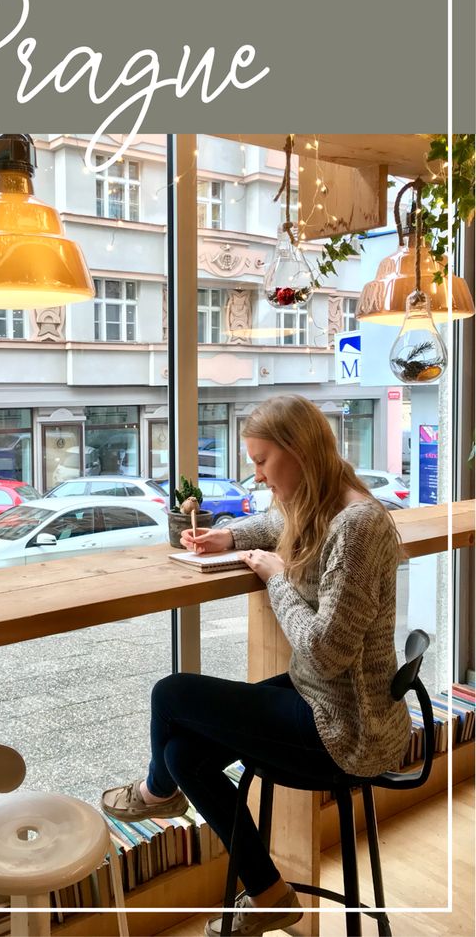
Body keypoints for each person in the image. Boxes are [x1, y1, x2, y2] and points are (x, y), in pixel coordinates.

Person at [101, 395, 411, 937]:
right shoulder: (324, 500)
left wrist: (278, 580)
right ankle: (270, 892)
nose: (258, 474)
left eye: (264, 461)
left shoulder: (359, 525)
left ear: (300, 452)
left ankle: (156, 795)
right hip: (322, 699)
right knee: (182, 753)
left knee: (171, 694)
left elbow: (323, 651)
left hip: (347, 729)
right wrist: (230, 535)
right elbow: (278, 521)